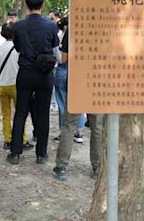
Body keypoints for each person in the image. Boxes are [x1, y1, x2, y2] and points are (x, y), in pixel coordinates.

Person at [7, 0, 59, 165]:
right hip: (45, 74)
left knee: (21, 112)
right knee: (43, 114)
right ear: (42, 4)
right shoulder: (51, 26)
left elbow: (18, 47)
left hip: (26, 72)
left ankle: (15, 153)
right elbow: (53, 46)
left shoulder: (19, 26)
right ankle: (41, 154)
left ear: (26, 5)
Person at [52, 27, 102, 181]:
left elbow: (65, 58)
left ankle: (61, 166)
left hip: (77, 81)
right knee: (97, 127)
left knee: (69, 125)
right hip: (99, 81)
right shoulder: (107, 22)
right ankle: (97, 166)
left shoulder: (74, 26)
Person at [0, 23, 32, 150]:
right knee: (20, 114)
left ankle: (7, 139)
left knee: (6, 114)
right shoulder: (19, 49)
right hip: (16, 84)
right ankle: (23, 139)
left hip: (2, 85)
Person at [53, 18, 85, 143]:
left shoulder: (68, 33)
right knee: (80, 102)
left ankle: (64, 132)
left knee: (62, 102)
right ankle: (79, 132)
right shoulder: (90, 29)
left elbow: (63, 58)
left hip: (65, 69)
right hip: (81, 71)